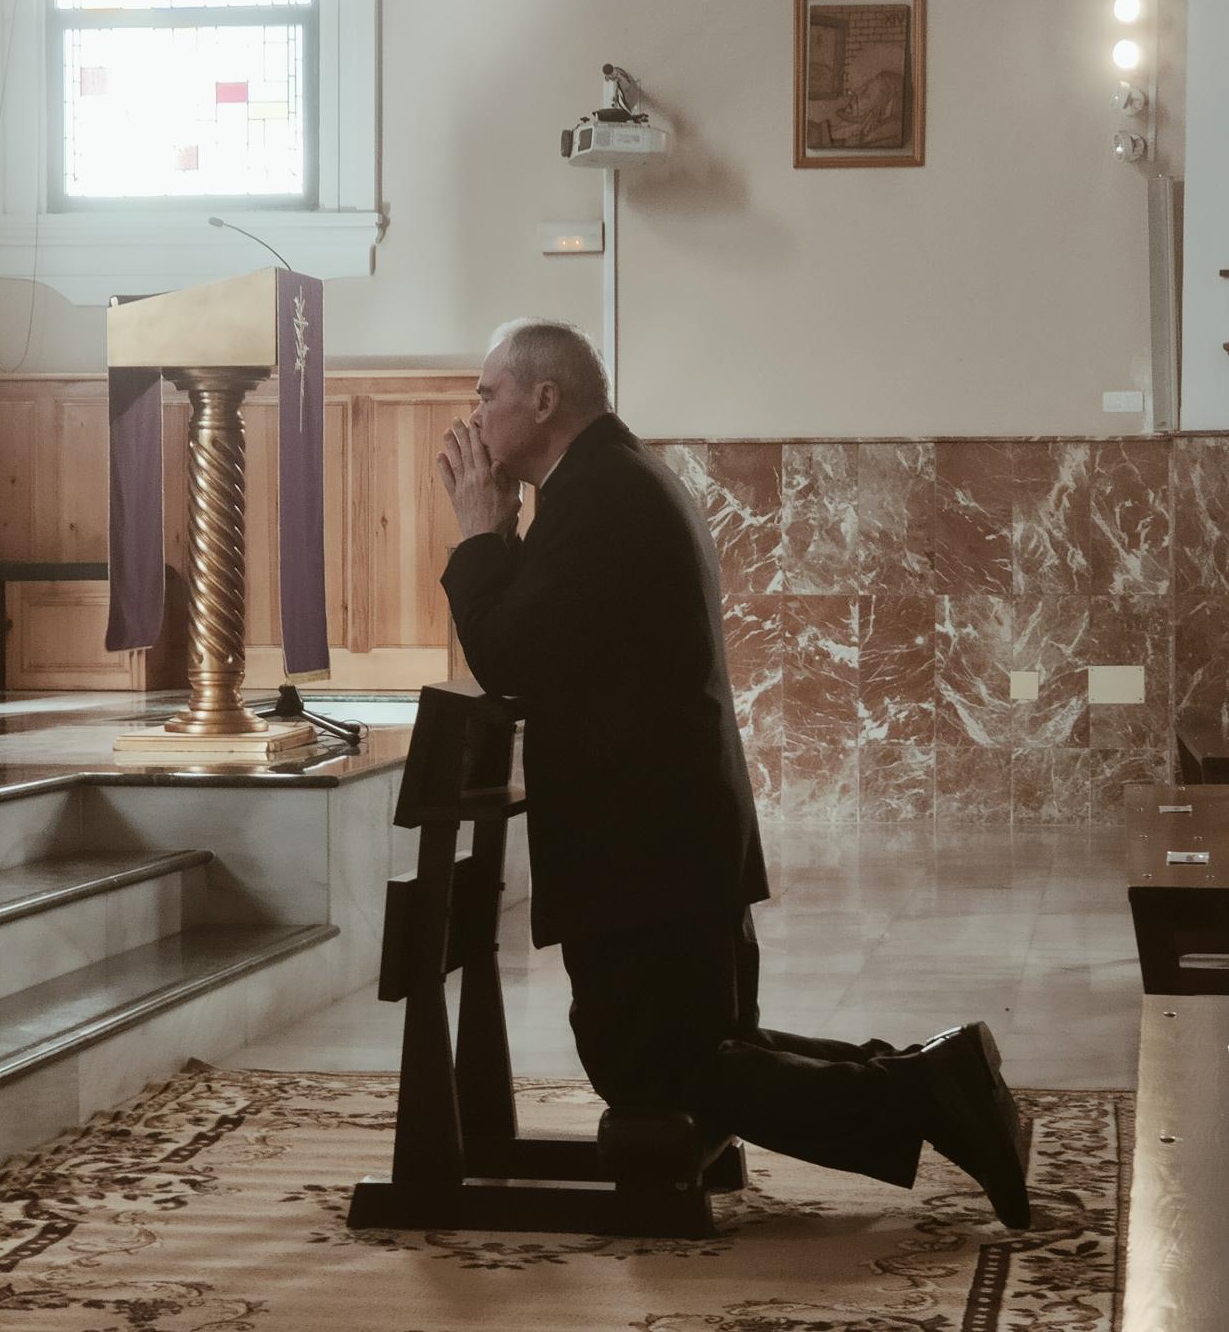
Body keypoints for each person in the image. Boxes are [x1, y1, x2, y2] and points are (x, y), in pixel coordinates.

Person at [436, 318, 1030, 1230]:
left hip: (644, 855)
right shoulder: (612, 480)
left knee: (653, 1069)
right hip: (670, 845)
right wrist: (505, 542)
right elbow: (555, 647)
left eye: (487, 394)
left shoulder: (600, 496)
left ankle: (932, 1093)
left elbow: (512, 659)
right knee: (696, 1052)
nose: (473, 415)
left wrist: (480, 535)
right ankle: (933, 1077)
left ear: (543, 399)